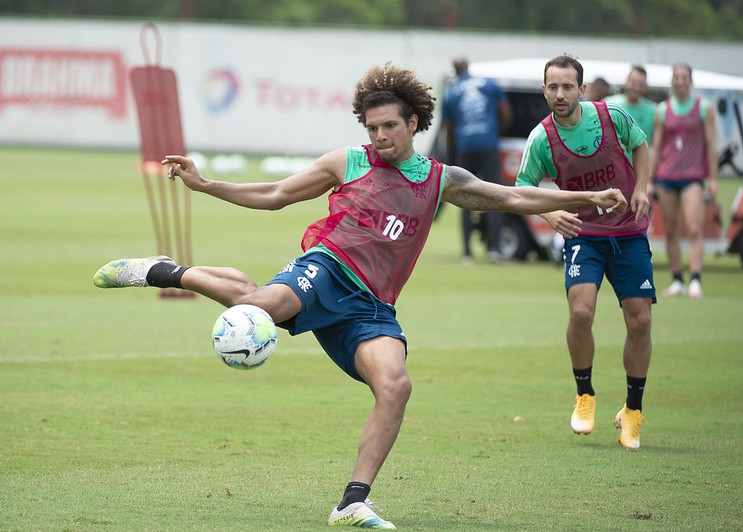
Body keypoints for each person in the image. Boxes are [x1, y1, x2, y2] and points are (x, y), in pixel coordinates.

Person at [92, 63, 627, 528]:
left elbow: (512, 194)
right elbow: (275, 194)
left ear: (414, 123)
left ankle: (353, 502)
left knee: (395, 385)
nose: (379, 136)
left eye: (389, 126)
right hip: (328, 267)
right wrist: (207, 185)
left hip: (373, 307)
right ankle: (164, 271)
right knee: (258, 308)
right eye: (372, 127)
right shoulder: (348, 161)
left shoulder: (442, 178)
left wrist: (585, 195)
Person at [515, 54, 655, 450]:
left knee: (640, 321)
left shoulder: (613, 118)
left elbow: (641, 146)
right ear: (544, 90)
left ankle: (633, 409)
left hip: (628, 233)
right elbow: (522, 189)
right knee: (581, 311)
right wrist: (553, 213)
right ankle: (585, 394)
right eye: (552, 87)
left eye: (567, 87)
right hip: (584, 235)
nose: (559, 94)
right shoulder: (541, 138)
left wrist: (642, 187)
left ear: (582, 89)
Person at [649, 63, 718, 299]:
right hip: (666, 177)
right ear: (672, 81)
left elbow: (711, 146)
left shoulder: (703, 108)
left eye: (683, 77)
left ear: (690, 80)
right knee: (670, 230)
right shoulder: (662, 110)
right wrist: (650, 179)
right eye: (676, 77)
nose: (680, 81)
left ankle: (695, 279)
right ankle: (677, 279)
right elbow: (656, 147)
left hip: (692, 178)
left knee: (694, 227)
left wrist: (713, 179)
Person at [442, 57, 512, 264]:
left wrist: (456, 148)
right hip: (489, 146)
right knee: (494, 195)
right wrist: (496, 133)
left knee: (463, 197)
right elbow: (506, 112)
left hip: (465, 148)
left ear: (455, 71)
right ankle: (494, 249)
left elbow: (448, 127)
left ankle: (466, 252)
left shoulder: (451, 92)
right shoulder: (488, 83)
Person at [604, 65, 657, 143]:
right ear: (626, 82)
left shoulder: (654, 111)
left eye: (640, 84)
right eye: (633, 83)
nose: (636, 88)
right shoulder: (609, 105)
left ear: (645, 86)